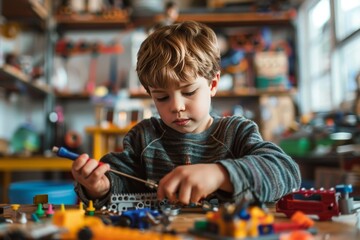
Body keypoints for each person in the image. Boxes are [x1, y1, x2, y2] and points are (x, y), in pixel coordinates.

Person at [72, 21, 301, 209]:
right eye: (162, 97)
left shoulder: (237, 133)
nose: (177, 106)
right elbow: (122, 181)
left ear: (213, 84)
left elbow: (287, 172)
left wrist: (220, 174)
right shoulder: (144, 137)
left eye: (189, 92)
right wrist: (100, 185)